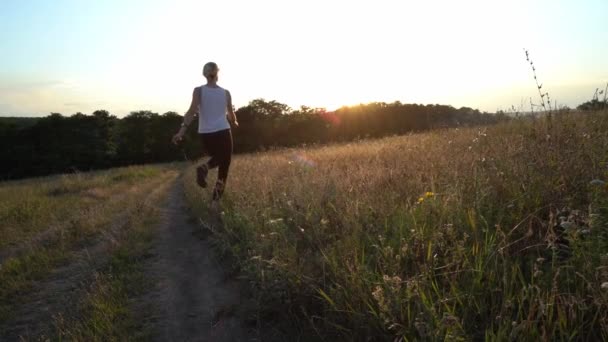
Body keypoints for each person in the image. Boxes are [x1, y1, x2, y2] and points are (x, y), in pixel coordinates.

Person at [172, 62, 238, 202]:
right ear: (217, 73)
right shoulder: (226, 93)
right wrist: (235, 122)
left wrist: (181, 132)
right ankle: (215, 201)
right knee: (224, 165)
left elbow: (191, 112)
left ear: (204, 74)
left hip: (206, 134)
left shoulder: (199, 91)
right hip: (224, 131)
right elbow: (231, 114)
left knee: (219, 158)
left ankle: (205, 167)